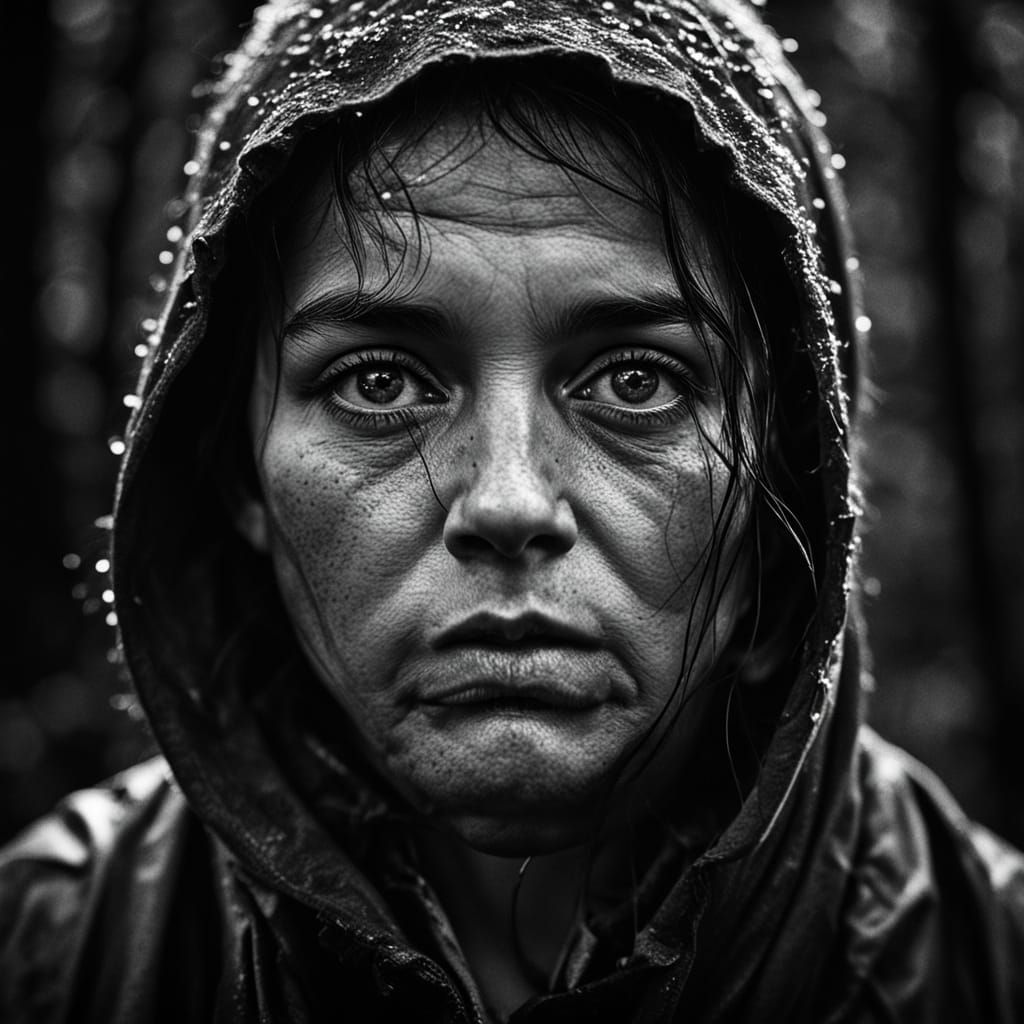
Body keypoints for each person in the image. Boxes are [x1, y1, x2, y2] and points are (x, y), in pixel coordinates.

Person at [3, 0, 1023, 1020]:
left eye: (635, 379)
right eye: (379, 381)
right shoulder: (48, 955)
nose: (506, 502)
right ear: (239, 476)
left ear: (783, 485)